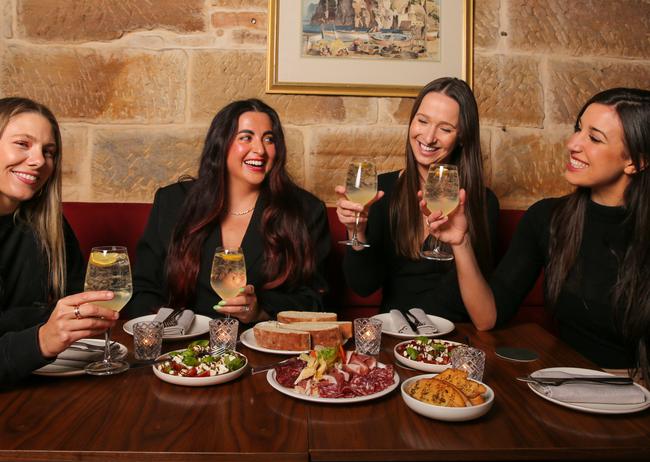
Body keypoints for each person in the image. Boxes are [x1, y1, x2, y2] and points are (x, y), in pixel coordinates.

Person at [428, 87, 650, 382]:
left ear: (636, 161)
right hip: (563, 385)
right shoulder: (547, 218)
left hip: (636, 393)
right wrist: (461, 242)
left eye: (594, 138)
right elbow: (487, 318)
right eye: (578, 129)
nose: (573, 143)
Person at [128, 99, 330, 323]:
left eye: (269, 139)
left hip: (260, 348)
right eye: (246, 137)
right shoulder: (172, 201)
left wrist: (259, 310)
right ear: (221, 144)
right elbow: (142, 289)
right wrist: (167, 330)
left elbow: (316, 302)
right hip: (182, 347)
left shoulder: (306, 210)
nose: (260, 150)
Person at [335, 78, 499, 320]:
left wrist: (460, 242)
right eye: (422, 121)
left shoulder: (482, 202)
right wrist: (355, 232)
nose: (429, 137)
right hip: (393, 335)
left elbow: (483, 319)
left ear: (462, 137)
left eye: (445, 129)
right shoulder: (382, 191)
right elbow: (363, 287)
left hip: (453, 338)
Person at [0, 97, 119, 384]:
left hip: (45, 385)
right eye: (22, 144)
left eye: (49, 151)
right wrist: (40, 336)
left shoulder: (49, 226)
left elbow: (76, 303)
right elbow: (50, 324)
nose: (39, 160)